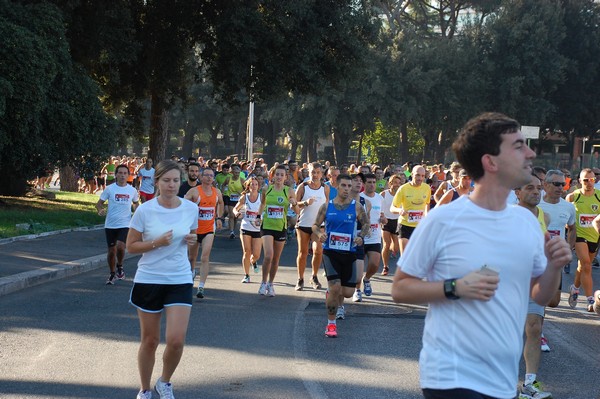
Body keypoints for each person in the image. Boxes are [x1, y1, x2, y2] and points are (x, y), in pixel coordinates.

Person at [391, 112, 571, 399]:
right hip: (450, 376)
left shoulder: (526, 222)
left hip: (502, 379)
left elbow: (539, 295)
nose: (531, 152)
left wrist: (553, 266)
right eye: (518, 146)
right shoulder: (443, 220)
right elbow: (400, 288)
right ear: (491, 162)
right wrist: (455, 287)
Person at [126, 160, 198, 399]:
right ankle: (145, 389)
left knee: (176, 340)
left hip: (179, 278)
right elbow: (131, 246)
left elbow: (193, 236)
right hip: (149, 278)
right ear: (156, 182)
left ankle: (164, 382)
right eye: (166, 180)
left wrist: (191, 241)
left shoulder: (190, 208)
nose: (171, 185)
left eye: (176, 180)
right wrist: (157, 242)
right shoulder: (145, 210)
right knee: (150, 340)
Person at [313, 174, 370, 337]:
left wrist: (361, 236)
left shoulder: (357, 206)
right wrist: (319, 234)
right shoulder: (326, 207)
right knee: (335, 287)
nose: (347, 189)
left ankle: (332, 293)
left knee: (347, 293)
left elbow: (366, 224)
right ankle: (331, 325)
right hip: (330, 252)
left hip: (349, 252)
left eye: (349, 186)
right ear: (337, 186)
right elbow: (315, 225)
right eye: (344, 186)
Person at [514, 175, 553, 399]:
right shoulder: (505, 216)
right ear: (517, 192)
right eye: (530, 188)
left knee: (534, 327)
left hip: (534, 281)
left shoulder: (544, 216)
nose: (536, 192)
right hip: (507, 283)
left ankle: (529, 384)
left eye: (539, 188)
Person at [255, 164, 298, 297]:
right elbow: (262, 204)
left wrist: (294, 203)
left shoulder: (289, 191)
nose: (279, 177)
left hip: (281, 227)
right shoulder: (266, 189)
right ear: (272, 176)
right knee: (268, 255)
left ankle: (271, 284)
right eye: (277, 174)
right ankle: (263, 282)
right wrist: (258, 216)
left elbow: (297, 211)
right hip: (267, 226)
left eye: (282, 175)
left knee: (276, 258)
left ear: (286, 177)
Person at [184, 168, 224, 299]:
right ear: (201, 177)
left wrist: (219, 218)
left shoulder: (216, 192)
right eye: (206, 175)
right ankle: (191, 272)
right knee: (191, 258)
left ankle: (201, 286)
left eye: (211, 176)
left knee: (205, 257)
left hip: (208, 229)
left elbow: (221, 203)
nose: (208, 178)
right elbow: (183, 203)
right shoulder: (195, 191)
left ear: (213, 178)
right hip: (194, 230)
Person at [96, 164, 139, 284]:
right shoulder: (110, 189)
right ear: (116, 175)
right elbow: (99, 203)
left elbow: (136, 203)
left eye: (125, 173)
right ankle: (112, 273)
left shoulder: (132, 190)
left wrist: (137, 211)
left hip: (125, 223)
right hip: (110, 224)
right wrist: (100, 210)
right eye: (120, 173)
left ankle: (120, 266)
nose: (122, 175)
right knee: (111, 251)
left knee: (120, 246)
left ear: (128, 175)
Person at [565, 168, 600, 311]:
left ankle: (574, 288)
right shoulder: (573, 197)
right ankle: (590, 298)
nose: (589, 183)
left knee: (583, 266)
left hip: (595, 236)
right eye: (586, 180)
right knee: (586, 264)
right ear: (580, 181)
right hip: (579, 235)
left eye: (592, 180)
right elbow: (568, 216)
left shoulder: (599, 196)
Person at [295, 162, 329, 291]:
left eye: (318, 172)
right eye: (312, 172)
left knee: (318, 250)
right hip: (303, 224)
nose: (315, 175)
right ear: (308, 173)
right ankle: (300, 278)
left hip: (318, 226)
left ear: (322, 174)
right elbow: (295, 206)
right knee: (303, 252)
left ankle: (314, 276)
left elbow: (326, 206)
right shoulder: (303, 187)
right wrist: (304, 203)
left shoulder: (325, 188)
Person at [390, 164, 430, 254]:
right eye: (417, 175)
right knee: (405, 257)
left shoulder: (427, 188)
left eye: (423, 176)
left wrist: (427, 216)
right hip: (405, 225)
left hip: (419, 226)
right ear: (412, 174)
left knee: (417, 256)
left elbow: (427, 204)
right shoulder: (403, 188)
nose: (420, 178)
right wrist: (400, 210)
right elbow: (392, 208)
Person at [359, 173, 386, 298]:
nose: (372, 185)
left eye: (374, 182)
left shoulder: (380, 198)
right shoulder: (358, 197)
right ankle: (356, 290)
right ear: (364, 184)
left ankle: (367, 279)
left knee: (375, 264)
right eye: (369, 182)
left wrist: (383, 219)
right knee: (358, 268)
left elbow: (383, 215)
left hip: (375, 236)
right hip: (360, 237)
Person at [233, 177, 263, 283]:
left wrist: (262, 219)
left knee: (256, 255)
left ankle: (253, 261)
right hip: (246, 227)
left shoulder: (262, 197)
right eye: (252, 184)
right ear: (248, 186)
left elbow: (266, 211)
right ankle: (246, 275)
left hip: (258, 229)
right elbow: (235, 208)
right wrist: (236, 213)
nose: (254, 186)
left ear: (258, 186)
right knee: (247, 251)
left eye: (256, 184)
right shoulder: (244, 197)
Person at [381, 174, 404, 276]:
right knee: (386, 244)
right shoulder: (383, 194)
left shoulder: (402, 195)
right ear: (390, 183)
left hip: (397, 222)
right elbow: (378, 207)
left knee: (396, 248)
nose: (397, 185)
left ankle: (392, 249)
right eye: (395, 182)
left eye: (399, 183)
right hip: (386, 221)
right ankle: (385, 267)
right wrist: (381, 217)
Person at [222, 164, 246, 239]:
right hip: (230, 198)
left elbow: (247, 188)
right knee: (231, 215)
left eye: (238, 173)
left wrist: (242, 193)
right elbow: (223, 185)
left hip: (238, 199)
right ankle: (231, 231)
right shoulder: (228, 179)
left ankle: (233, 229)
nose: (237, 174)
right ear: (232, 172)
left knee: (235, 216)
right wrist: (223, 192)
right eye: (235, 173)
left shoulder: (242, 180)